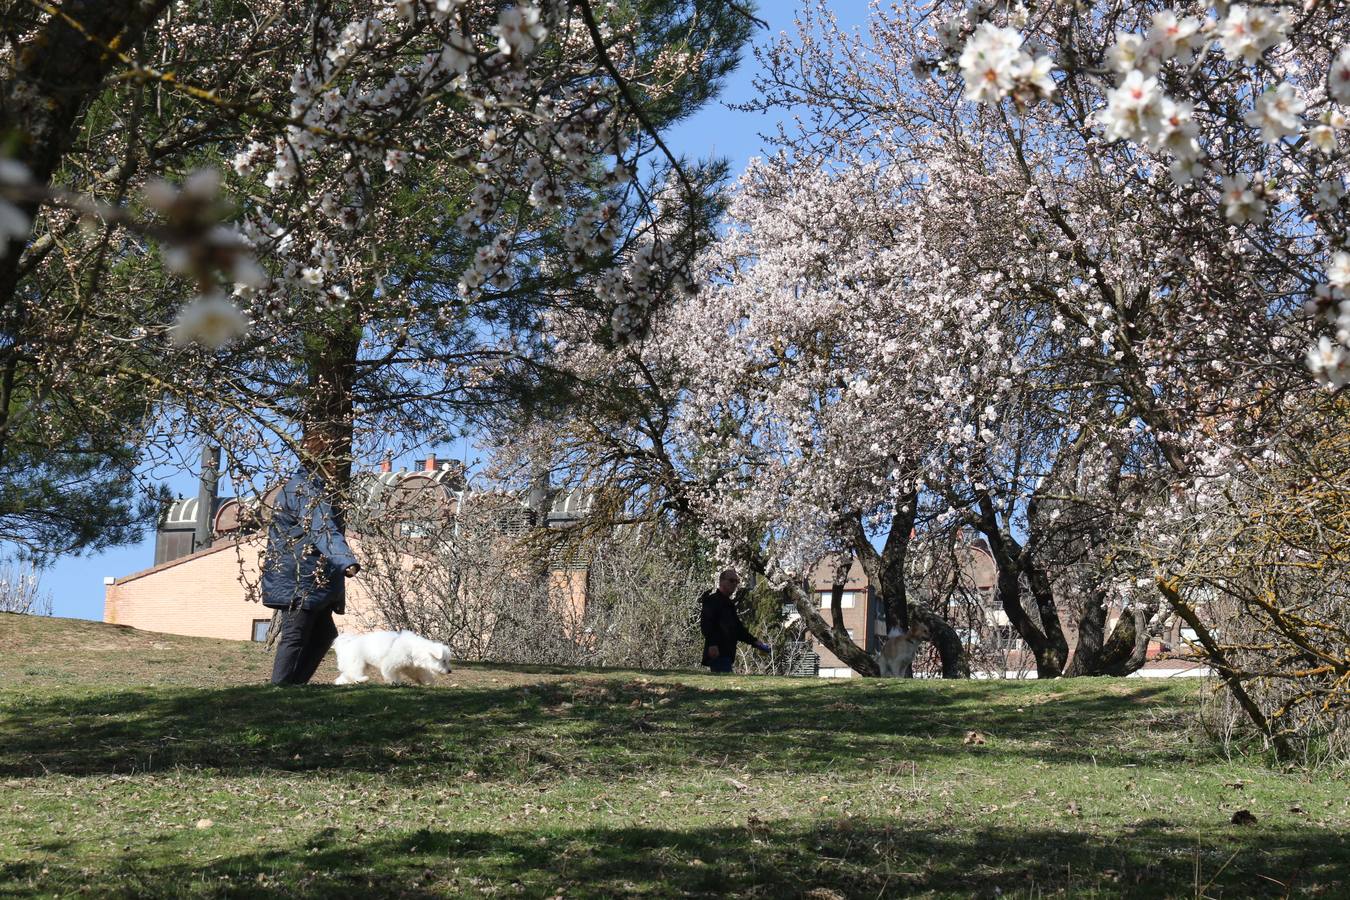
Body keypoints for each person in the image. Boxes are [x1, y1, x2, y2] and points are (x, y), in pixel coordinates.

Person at [262, 436, 361, 685]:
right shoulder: (306, 491)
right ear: (322, 460)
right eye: (335, 459)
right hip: (300, 579)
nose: (339, 464)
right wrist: (345, 561)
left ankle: (292, 686)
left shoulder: (305, 487)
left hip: (306, 578)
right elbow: (322, 530)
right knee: (295, 636)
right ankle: (281, 688)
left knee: (323, 635)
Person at [699, 568, 770, 674]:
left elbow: (738, 629)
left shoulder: (729, 604)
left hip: (727, 653)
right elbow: (706, 624)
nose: (735, 584)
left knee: (724, 685)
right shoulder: (712, 600)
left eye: (737, 581)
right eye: (731, 580)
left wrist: (755, 642)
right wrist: (712, 644)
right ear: (722, 581)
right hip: (718, 652)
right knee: (724, 686)